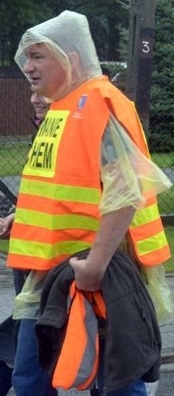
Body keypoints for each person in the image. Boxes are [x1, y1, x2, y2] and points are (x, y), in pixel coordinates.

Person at [7, 10, 172, 396]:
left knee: (115, 376)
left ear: (71, 58)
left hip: (95, 269)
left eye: (37, 56)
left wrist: (95, 266)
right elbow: (66, 179)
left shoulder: (97, 102)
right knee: (35, 375)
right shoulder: (64, 106)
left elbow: (126, 190)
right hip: (56, 267)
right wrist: (23, 214)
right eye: (27, 57)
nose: (27, 67)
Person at [0, 89, 51, 396]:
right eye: (32, 92)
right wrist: (17, 215)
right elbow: (42, 191)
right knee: (28, 353)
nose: (34, 99)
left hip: (59, 265)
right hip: (31, 259)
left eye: (42, 93)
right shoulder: (43, 136)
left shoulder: (73, 131)